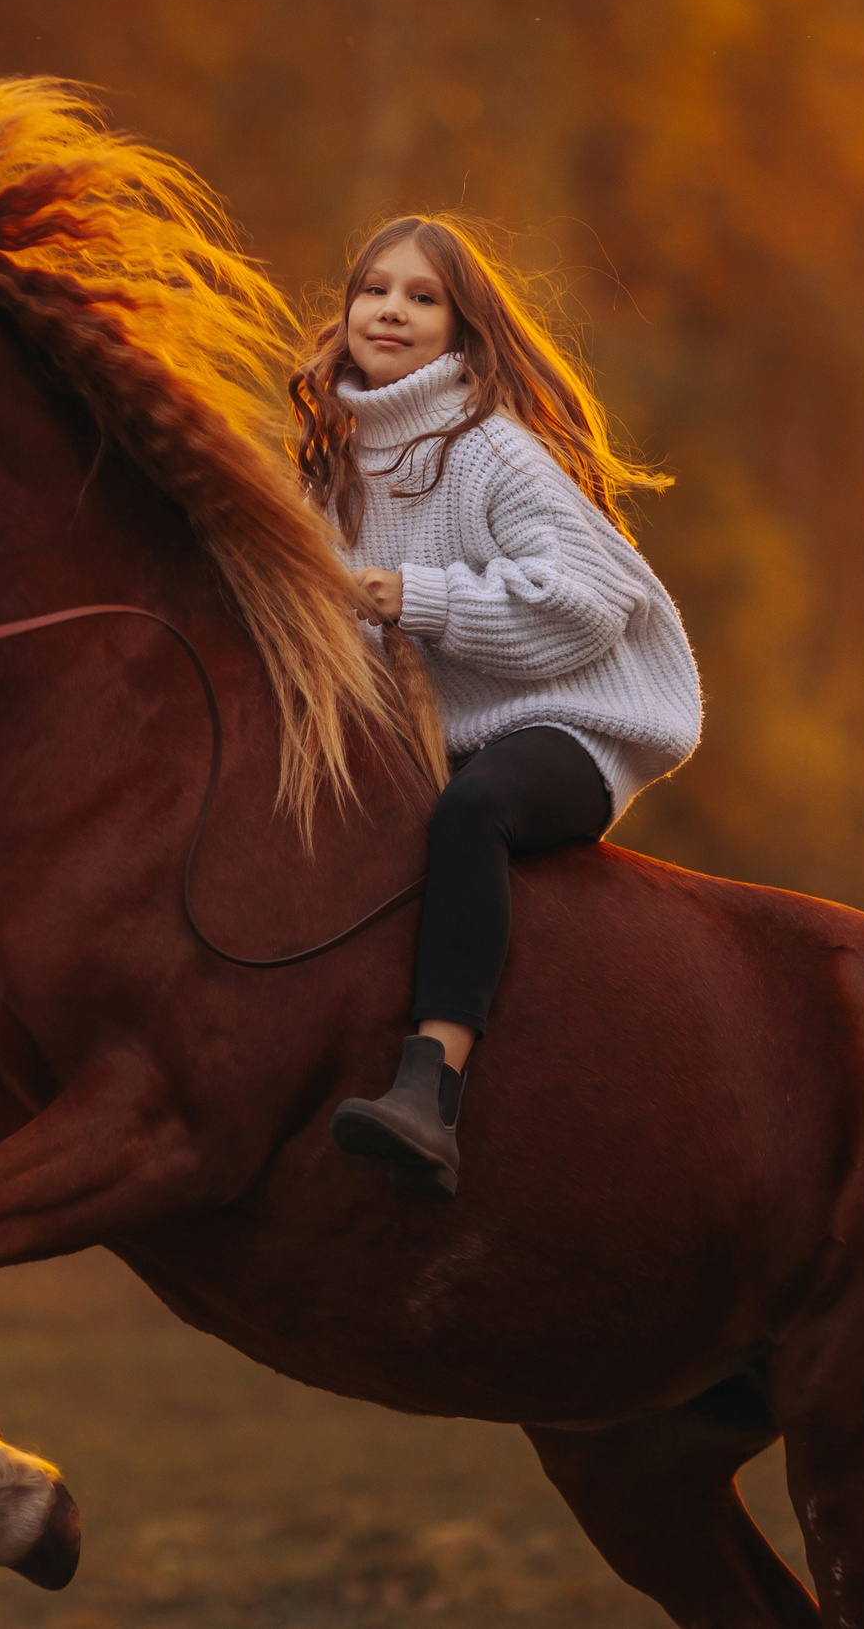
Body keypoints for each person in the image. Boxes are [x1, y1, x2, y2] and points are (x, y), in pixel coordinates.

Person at [291, 214, 703, 1200]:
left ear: (461, 330)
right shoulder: (332, 465)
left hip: (580, 716)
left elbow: (587, 608)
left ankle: (429, 1091)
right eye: (373, 289)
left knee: (471, 816)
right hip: (456, 731)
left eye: (421, 297)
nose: (389, 309)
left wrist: (413, 598)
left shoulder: (491, 452)